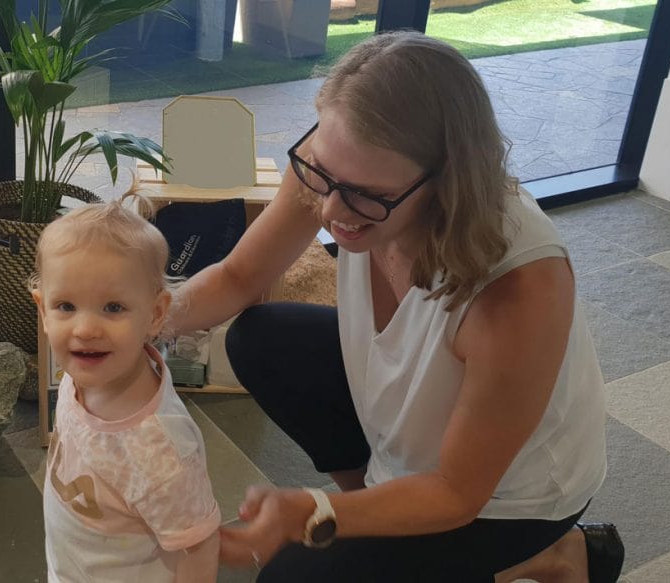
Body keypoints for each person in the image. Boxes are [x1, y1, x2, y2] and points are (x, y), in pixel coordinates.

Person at [169, 31, 625, 583]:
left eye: (366, 194)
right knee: (261, 338)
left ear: (447, 182)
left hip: (505, 498)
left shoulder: (521, 286)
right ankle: (388, 520)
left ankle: (550, 549)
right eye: (323, 173)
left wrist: (315, 512)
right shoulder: (340, 166)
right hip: (422, 442)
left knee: (290, 578)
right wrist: (140, 316)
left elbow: (457, 492)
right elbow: (240, 277)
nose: (331, 210)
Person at [32, 200, 221, 582]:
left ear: (155, 314)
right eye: (66, 306)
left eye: (113, 307)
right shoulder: (81, 374)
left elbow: (198, 546)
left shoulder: (160, 451)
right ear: (43, 310)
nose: (85, 329)